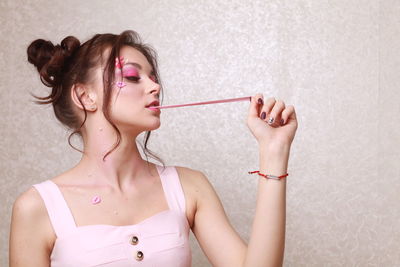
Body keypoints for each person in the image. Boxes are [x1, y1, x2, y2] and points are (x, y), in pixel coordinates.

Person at [9, 30, 297, 267]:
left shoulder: (189, 186)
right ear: (85, 96)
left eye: (154, 77)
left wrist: (274, 152)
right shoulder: (36, 207)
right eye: (134, 77)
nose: (155, 87)